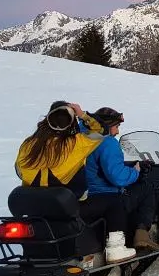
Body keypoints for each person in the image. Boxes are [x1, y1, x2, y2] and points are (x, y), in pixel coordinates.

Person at [15, 102, 137, 263]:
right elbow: (101, 131)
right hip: (66, 207)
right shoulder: (74, 144)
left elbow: (19, 170)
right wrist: (83, 114)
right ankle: (116, 248)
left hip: (35, 208)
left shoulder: (29, 144)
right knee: (114, 201)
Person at [84, 107, 159, 257]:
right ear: (107, 126)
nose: (117, 131)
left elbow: (98, 167)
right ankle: (141, 235)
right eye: (116, 126)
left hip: (88, 195)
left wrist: (130, 165)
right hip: (107, 195)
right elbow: (118, 177)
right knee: (146, 188)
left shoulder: (85, 140)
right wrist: (136, 172)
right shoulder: (108, 143)